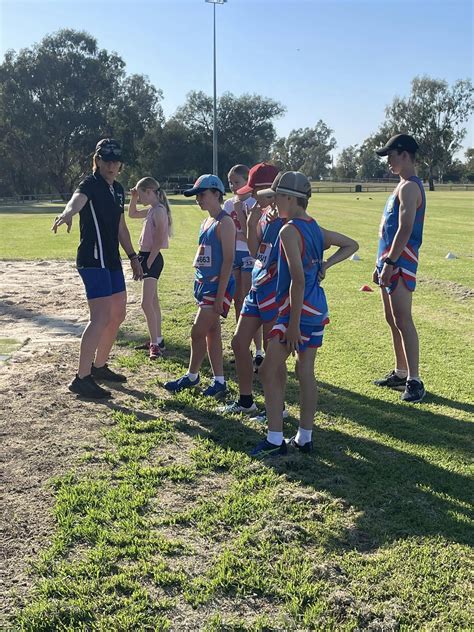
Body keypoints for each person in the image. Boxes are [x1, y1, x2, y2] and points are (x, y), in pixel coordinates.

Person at [251, 171, 358, 457]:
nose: (274, 204)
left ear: (290, 198)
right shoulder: (314, 227)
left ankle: (275, 440)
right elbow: (351, 244)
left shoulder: (288, 230)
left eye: (276, 198)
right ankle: (304, 436)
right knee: (305, 371)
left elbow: (297, 280)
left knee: (268, 370)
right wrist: (326, 265)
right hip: (317, 307)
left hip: (296, 311)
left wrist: (293, 325)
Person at [51, 138, 143, 399]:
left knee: (118, 314)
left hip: (111, 259)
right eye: (106, 160)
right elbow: (76, 201)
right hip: (93, 259)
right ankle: (81, 378)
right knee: (100, 317)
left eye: (116, 161)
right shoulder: (90, 184)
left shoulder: (118, 190)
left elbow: (120, 227)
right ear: (97, 161)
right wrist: (68, 213)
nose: (111, 165)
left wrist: (133, 256)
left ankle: (99, 366)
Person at [164, 174, 236, 397]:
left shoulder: (225, 222)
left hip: (216, 288)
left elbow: (228, 260)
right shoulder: (206, 221)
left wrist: (220, 294)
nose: (198, 199)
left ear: (216, 194)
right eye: (196, 195)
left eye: (202, 194)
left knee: (197, 332)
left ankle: (192, 376)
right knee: (212, 332)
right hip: (204, 286)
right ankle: (219, 381)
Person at [221, 162, 283, 416]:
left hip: (274, 292)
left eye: (254, 190)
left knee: (272, 353)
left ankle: (278, 408)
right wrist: (252, 221)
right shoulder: (265, 215)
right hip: (258, 287)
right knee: (238, 343)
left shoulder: (286, 218)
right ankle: (246, 401)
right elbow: (256, 250)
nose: (250, 195)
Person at [372, 134, 426, 403]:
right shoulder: (401, 185)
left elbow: (405, 229)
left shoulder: (409, 188)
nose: (388, 161)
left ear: (405, 155)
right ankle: (401, 370)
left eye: (391, 155)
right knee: (392, 319)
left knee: (403, 319)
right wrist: (381, 263)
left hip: (401, 263)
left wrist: (391, 262)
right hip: (390, 261)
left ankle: (414, 380)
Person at [224, 164, 264, 368]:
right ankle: (243, 348)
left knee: (250, 300)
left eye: (237, 182)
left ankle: (259, 350)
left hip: (249, 255)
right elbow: (227, 231)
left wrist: (241, 215)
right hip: (234, 254)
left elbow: (253, 235)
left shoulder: (253, 202)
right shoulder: (228, 204)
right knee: (238, 301)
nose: (233, 186)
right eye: (230, 182)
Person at [128, 177, 172, 360]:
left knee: (145, 303)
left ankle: (155, 345)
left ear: (149, 192)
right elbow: (131, 214)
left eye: (140, 195)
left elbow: (159, 241)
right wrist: (132, 197)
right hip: (145, 257)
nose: (139, 199)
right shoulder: (152, 210)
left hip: (152, 258)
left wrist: (148, 262)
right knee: (153, 301)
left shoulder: (159, 211)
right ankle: (158, 339)